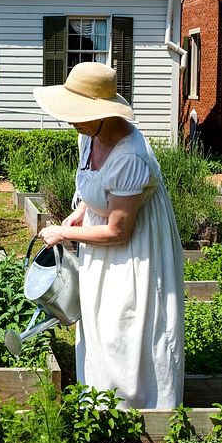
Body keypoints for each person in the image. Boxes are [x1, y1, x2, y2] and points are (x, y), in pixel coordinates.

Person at [32, 62, 184, 409]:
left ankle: (138, 408)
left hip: (135, 249)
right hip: (103, 240)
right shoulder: (90, 134)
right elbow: (96, 190)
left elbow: (119, 230)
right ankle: (99, 403)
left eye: (77, 112)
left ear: (101, 113)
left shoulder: (129, 157)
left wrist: (61, 232)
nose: (71, 120)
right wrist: (78, 213)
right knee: (100, 318)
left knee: (126, 320)